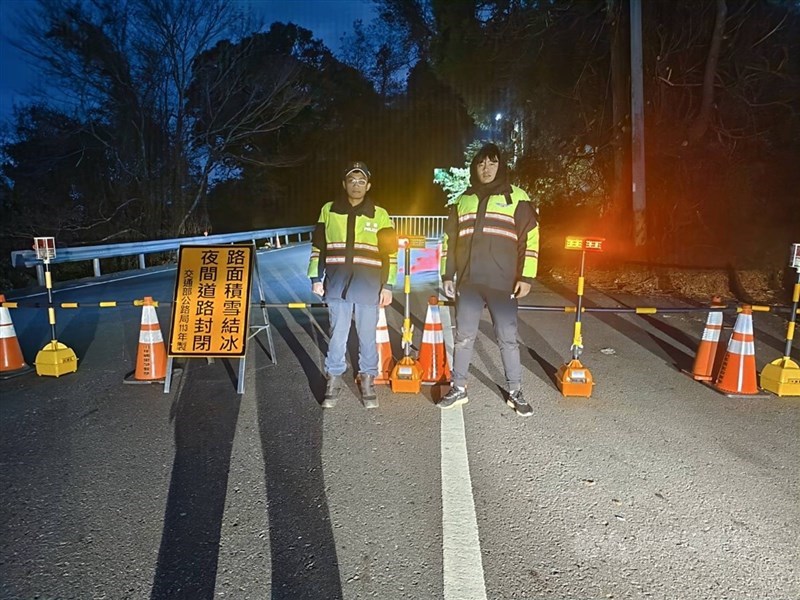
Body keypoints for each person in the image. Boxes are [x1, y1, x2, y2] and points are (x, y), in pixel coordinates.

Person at [439, 143, 540, 416]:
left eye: (492, 163)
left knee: (507, 338)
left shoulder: (517, 197)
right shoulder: (463, 199)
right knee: (463, 337)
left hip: (503, 282)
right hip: (469, 282)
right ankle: (458, 387)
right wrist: (447, 274)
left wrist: (526, 276)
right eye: (481, 164)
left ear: (501, 165)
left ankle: (515, 391)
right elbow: (450, 240)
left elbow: (530, 239)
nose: (486, 169)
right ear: (475, 167)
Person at [308, 161, 398, 409]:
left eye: (361, 181)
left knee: (368, 336)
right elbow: (318, 247)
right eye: (352, 180)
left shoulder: (380, 214)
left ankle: (368, 378)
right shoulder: (329, 210)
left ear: (368, 185)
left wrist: (388, 285)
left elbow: (390, 254)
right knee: (337, 335)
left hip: (369, 286)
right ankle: (333, 378)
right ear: (344, 184)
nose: (356, 185)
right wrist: (316, 279)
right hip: (336, 284)